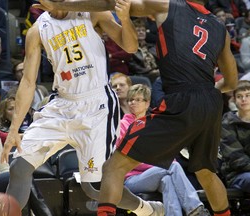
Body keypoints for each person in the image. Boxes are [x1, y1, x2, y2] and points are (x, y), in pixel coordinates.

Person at [33, 0, 238, 215]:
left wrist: (61, 5)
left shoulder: (167, 6)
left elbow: (114, 3)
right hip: (211, 100)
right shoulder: (219, 27)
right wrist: (202, 94)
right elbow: (232, 82)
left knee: (114, 167)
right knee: (206, 172)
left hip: (181, 96)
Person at [0, 2, 166, 216]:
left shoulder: (92, 10)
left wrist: (124, 19)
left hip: (96, 105)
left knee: (95, 188)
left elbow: (131, 47)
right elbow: (28, 82)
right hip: (62, 104)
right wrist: (14, 130)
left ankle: (146, 210)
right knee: (19, 166)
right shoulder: (37, 30)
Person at [120, 84, 210, 216]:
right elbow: (130, 157)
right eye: (130, 100)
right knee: (172, 167)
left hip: (157, 173)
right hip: (131, 179)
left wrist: (158, 162)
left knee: (168, 180)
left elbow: (167, 153)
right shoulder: (123, 125)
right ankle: (196, 209)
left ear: (147, 103)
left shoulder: (155, 125)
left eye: (138, 99)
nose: (133, 103)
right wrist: (158, 163)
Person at [220, 80, 250, 194]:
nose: (244, 99)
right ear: (234, 99)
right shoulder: (227, 123)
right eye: (239, 96)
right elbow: (236, 158)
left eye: (248, 96)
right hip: (237, 174)